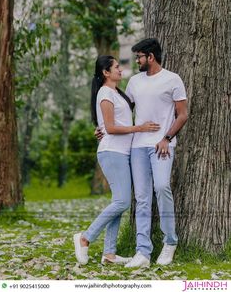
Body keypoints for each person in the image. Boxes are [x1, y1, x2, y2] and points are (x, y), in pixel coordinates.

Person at [74, 55, 160, 265]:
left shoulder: (116, 93)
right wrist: (139, 128)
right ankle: (85, 237)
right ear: (105, 72)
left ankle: (109, 254)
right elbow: (111, 128)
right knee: (122, 201)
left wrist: (103, 128)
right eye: (116, 67)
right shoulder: (105, 93)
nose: (120, 69)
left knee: (119, 202)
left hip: (123, 153)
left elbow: (107, 125)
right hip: (112, 152)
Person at [123, 38, 188, 268]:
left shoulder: (173, 79)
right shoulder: (134, 82)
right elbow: (123, 111)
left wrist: (166, 137)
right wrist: (105, 128)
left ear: (150, 57)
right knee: (141, 198)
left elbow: (182, 114)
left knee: (161, 187)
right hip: (138, 146)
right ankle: (142, 252)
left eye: (139, 56)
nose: (137, 60)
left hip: (162, 145)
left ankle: (170, 242)